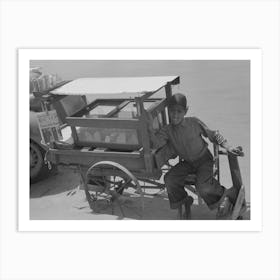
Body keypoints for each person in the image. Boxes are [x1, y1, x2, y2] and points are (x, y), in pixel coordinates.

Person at [145, 93, 240, 219]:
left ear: (186, 111)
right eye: (172, 111)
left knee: (203, 186)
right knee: (169, 179)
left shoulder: (194, 122)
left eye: (179, 111)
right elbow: (156, 143)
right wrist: (150, 128)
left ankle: (225, 195)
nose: (175, 115)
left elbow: (213, 134)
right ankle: (185, 201)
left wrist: (228, 146)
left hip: (204, 160)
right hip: (188, 163)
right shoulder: (167, 130)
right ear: (169, 111)